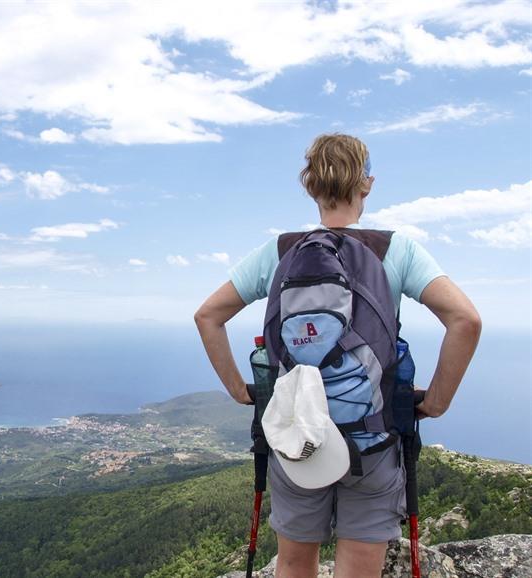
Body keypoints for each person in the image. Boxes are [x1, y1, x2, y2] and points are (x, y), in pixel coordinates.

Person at [194, 133, 481, 578]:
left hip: (297, 438)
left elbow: (208, 316)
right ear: (367, 183)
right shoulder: (395, 249)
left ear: (310, 187)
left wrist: (239, 390)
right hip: (373, 439)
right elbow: (465, 320)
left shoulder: (280, 252)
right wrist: (436, 401)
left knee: (293, 563)